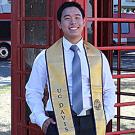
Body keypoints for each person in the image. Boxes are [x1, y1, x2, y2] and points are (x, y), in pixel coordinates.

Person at [25, 2, 116, 135]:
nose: (73, 22)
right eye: (67, 18)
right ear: (59, 24)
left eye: (77, 17)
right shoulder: (45, 57)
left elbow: (109, 89)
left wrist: (106, 116)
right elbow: (33, 90)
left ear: (84, 22)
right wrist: (41, 119)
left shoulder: (98, 56)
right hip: (58, 121)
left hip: (92, 121)